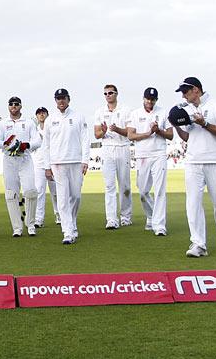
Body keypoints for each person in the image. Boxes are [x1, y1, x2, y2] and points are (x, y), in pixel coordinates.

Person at [171, 77, 216, 257]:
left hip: (215, 160)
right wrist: (176, 126)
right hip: (193, 161)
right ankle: (198, 243)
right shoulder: (187, 110)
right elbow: (187, 137)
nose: (184, 96)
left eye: (185, 92)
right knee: (192, 203)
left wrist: (205, 124)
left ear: (195, 89)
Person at [42, 88, 91, 244]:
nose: (61, 101)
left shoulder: (78, 117)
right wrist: (47, 166)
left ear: (68, 99)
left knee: (75, 196)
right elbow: (46, 145)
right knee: (62, 198)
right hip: (57, 163)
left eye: (63, 98)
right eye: (58, 99)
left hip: (76, 161)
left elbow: (85, 139)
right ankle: (67, 232)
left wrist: (85, 160)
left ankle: (72, 223)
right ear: (55, 101)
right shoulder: (50, 120)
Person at [126, 87, 173, 236]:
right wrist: (149, 133)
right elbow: (130, 136)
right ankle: (152, 216)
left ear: (156, 100)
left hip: (159, 154)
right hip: (142, 155)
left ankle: (159, 225)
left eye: (152, 99)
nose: (150, 102)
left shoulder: (164, 112)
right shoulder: (135, 114)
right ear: (143, 98)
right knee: (143, 191)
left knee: (159, 190)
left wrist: (158, 131)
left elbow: (171, 135)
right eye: (147, 99)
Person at [0, 96, 41, 236]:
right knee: (11, 194)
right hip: (9, 160)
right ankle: (17, 228)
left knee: (30, 191)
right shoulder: (2, 124)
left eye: (16, 104)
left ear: (21, 106)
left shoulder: (29, 122)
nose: (14, 106)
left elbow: (37, 141)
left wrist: (27, 145)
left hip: (25, 159)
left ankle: (31, 224)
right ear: (8, 106)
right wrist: (7, 144)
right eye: (11, 104)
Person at [93, 84, 133, 229]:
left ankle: (126, 216)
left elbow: (130, 132)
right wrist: (103, 132)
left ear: (116, 94)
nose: (108, 95)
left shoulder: (126, 110)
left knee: (125, 184)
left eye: (110, 93)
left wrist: (117, 129)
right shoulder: (99, 111)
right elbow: (97, 134)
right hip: (107, 149)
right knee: (109, 185)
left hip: (123, 147)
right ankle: (111, 219)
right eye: (105, 93)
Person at [32, 106, 60, 227]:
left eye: (43, 113)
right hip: (39, 163)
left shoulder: (53, 128)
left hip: (52, 163)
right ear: (36, 116)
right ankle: (39, 219)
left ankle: (59, 214)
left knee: (55, 192)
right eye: (39, 113)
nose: (41, 115)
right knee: (39, 192)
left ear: (47, 115)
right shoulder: (34, 130)